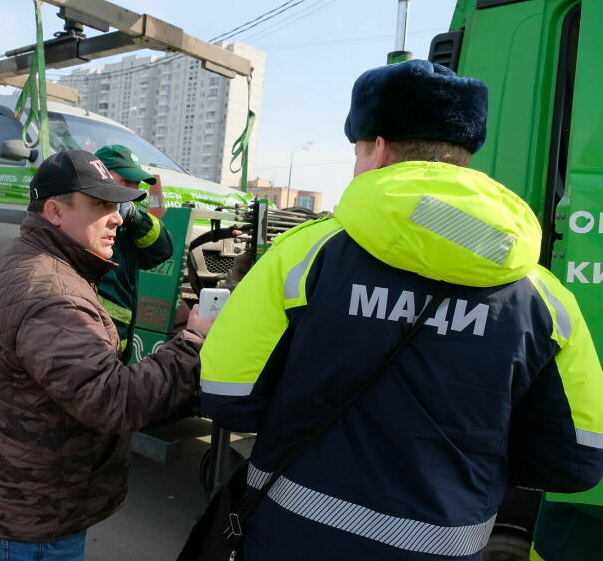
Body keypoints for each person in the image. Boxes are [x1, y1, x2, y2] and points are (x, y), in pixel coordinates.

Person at [200, 60, 603, 561]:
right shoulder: (542, 295)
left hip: (290, 534)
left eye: (357, 150)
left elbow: (227, 397)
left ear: (380, 149)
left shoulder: (305, 256)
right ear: (462, 157)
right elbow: (578, 459)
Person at [0, 149, 213, 561]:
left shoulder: (30, 259)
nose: (118, 217)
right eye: (101, 204)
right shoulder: (52, 293)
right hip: (29, 523)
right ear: (54, 210)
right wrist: (193, 342)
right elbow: (113, 401)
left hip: (12, 502)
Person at [94, 144, 173, 363]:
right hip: (94, 342)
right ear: (100, 176)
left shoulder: (128, 219)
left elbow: (162, 251)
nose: (132, 189)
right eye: (126, 182)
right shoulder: (87, 223)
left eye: (136, 183)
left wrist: (134, 215)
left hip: (118, 345)